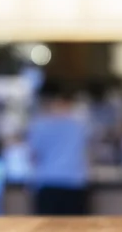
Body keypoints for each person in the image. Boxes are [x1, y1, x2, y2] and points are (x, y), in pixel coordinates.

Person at [27, 81, 91, 216]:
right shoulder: (81, 124)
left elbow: (33, 156)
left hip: (48, 183)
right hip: (75, 184)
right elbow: (89, 152)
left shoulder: (39, 124)